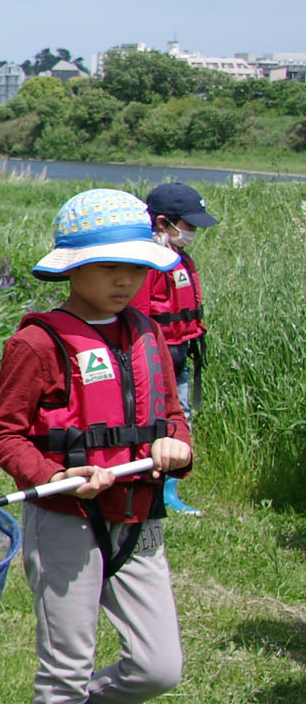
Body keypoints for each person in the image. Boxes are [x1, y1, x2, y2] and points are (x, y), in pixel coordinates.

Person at [0, 189, 192, 704]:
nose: (125, 280)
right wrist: (56, 474)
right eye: (107, 268)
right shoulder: (37, 342)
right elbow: (4, 435)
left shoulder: (149, 334)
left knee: (160, 666)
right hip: (68, 523)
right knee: (66, 665)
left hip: (138, 522)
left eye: (136, 266)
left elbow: (172, 418)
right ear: (72, 268)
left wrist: (177, 447)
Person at [139, 182, 214, 515]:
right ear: (162, 222)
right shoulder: (151, 262)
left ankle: (170, 490)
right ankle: (148, 485)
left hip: (182, 354)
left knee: (181, 417)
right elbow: (139, 314)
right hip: (157, 357)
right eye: (189, 224)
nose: (193, 231)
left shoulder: (180, 259)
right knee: (154, 420)